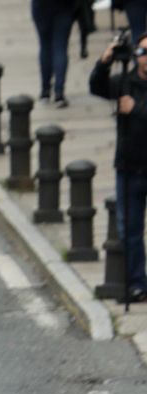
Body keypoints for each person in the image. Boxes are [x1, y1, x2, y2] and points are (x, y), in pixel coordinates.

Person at [91, 33, 147, 303]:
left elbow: (136, 110)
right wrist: (104, 62)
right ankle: (137, 283)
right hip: (129, 167)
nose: (146, 57)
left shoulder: (133, 95)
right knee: (129, 230)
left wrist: (136, 109)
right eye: (143, 52)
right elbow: (97, 87)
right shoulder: (126, 82)